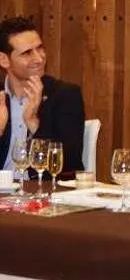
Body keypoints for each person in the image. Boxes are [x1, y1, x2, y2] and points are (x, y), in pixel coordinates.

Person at [0, 16, 85, 176]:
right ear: (4, 60)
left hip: (42, 189)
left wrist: (33, 122)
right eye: (27, 53)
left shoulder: (64, 95)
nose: (39, 58)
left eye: (40, 48)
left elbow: (69, 165)